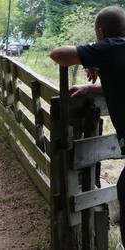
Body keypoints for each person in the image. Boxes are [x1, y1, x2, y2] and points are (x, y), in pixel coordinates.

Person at [49, 5, 125, 244]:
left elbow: (58, 54)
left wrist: (93, 54)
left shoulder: (111, 47)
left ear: (101, 32)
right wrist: (92, 87)